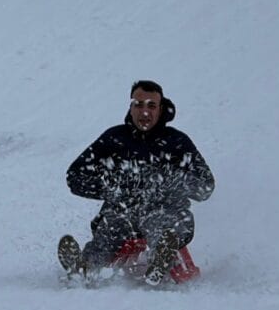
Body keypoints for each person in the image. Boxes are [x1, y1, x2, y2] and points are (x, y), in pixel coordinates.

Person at [60, 80, 214, 285]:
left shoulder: (177, 142)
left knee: (161, 226)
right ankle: (84, 267)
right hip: (123, 211)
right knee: (108, 233)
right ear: (131, 107)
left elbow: (205, 185)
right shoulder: (114, 139)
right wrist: (110, 188)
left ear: (161, 109)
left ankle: (161, 259)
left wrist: (170, 182)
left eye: (151, 106)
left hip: (166, 210)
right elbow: (75, 175)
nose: (145, 112)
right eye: (139, 104)